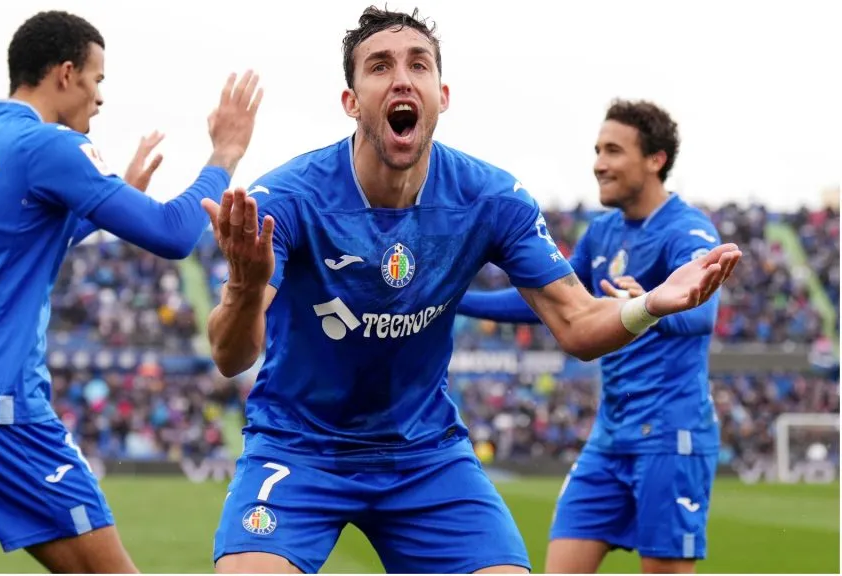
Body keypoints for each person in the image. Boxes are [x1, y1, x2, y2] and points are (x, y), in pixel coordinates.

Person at [201, 6, 740, 575]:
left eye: (419, 65)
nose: (402, 79)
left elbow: (579, 325)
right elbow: (231, 356)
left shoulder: (492, 198)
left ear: (442, 95)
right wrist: (244, 288)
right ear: (351, 101)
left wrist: (650, 304)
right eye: (380, 66)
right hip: (298, 448)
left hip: (425, 455)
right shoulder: (286, 199)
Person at [0, 10, 262, 574]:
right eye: (97, 78)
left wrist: (110, 200)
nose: (100, 96)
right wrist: (225, 154)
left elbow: (25, 238)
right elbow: (172, 232)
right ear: (66, 74)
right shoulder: (48, 145)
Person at [457, 99, 723, 573]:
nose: (599, 163)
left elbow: (702, 314)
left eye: (614, 151)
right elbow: (550, 301)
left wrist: (653, 304)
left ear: (656, 159)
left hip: (669, 438)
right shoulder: (602, 233)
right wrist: (455, 297)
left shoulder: (686, 230)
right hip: (609, 437)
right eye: (598, 150)